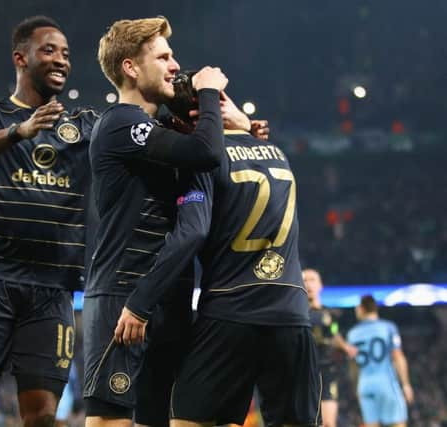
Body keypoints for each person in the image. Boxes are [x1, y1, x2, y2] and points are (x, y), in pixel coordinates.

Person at [84, 15, 261, 427]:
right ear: (130, 67)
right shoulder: (120, 123)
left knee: (156, 419)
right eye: (163, 56)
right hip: (124, 295)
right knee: (109, 421)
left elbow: (205, 157)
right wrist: (212, 94)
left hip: (171, 299)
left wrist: (245, 129)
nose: (175, 65)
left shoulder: (162, 128)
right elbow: (204, 151)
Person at [119, 71, 321, 426]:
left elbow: (191, 233)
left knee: (186, 420)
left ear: (192, 120)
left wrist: (140, 302)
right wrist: (242, 120)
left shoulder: (204, 161)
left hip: (231, 311)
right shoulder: (278, 153)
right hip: (292, 313)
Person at [0, 15, 98, 427]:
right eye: (49, 50)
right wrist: (20, 131)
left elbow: (132, 135)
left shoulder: (83, 124)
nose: (61, 60)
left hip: (52, 289)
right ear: (20, 57)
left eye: (66, 54)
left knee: (43, 416)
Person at [347, 295, 414, 427]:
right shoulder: (388, 327)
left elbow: (353, 365)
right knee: (398, 423)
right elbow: (398, 356)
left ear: (361, 309)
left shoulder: (352, 334)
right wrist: (406, 384)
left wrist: (356, 387)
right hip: (386, 382)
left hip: (364, 384)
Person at [303, 268, 357, 427]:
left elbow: (334, 334)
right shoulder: (295, 313)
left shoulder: (329, 315)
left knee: (328, 423)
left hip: (326, 372)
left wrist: (346, 347)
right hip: (302, 373)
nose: (308, 284)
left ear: (320, 285)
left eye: (312, 280)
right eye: (305, 280)